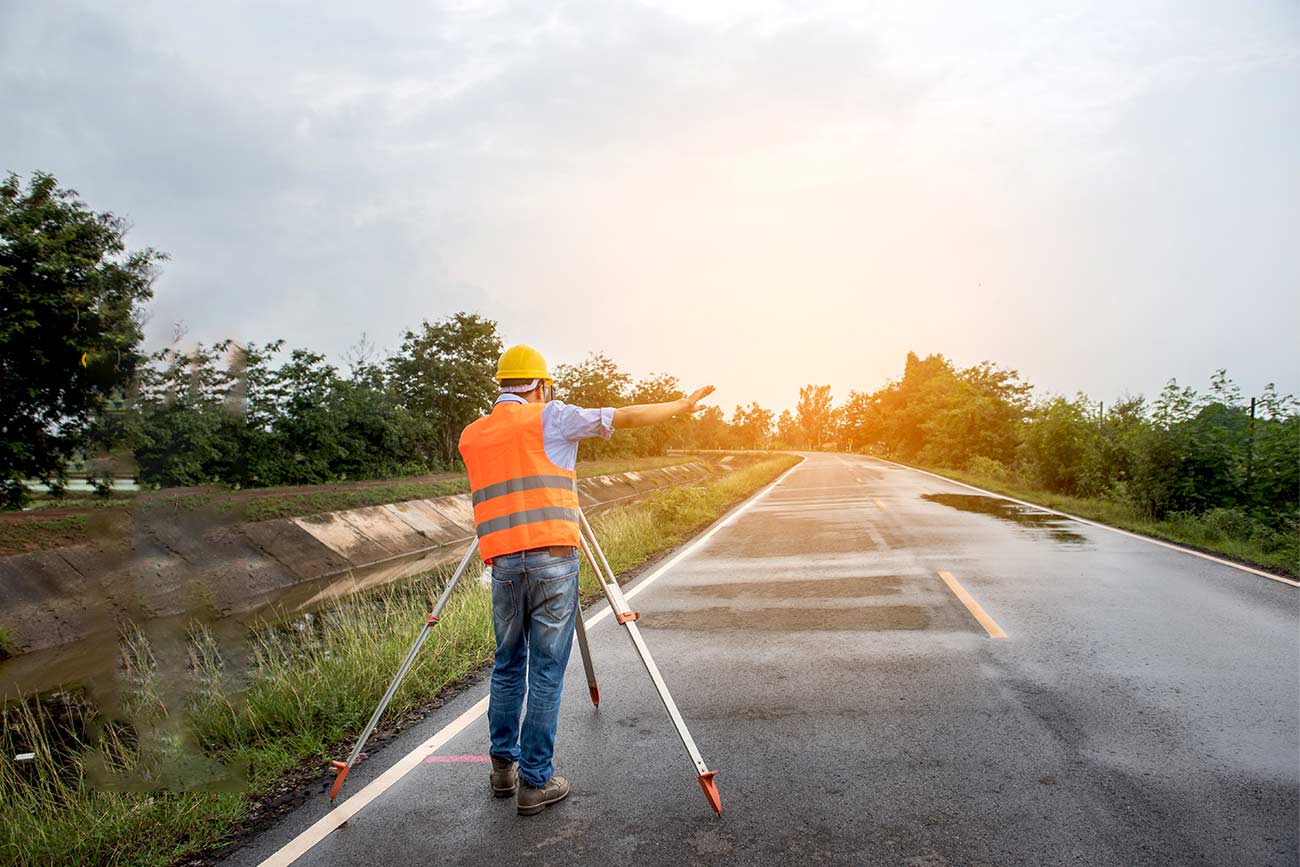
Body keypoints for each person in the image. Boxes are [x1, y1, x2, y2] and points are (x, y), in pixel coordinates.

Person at [458, 344, 714, 816]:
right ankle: (535, 781)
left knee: (508, 665)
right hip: (553, 559)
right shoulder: (551, 417)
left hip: (504, 567)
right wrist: (680, 406)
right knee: (547, 671)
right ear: (539, 385)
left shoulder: (472, 435)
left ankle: (502, 770)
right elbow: (626, 417)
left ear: (502, 385)